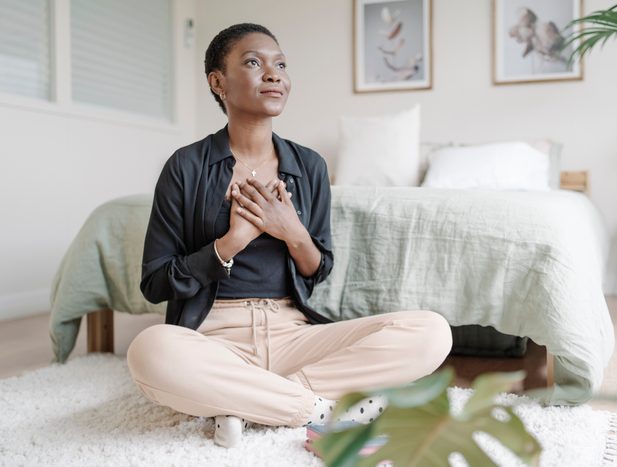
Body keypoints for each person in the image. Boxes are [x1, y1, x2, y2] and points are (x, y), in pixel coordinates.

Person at [125, 22, 453, 449]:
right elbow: (155, 282)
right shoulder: (185, 166)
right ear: (218, 82)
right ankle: (323, 412)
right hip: (214, 335)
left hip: (293, 333)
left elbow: (317, 270)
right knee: (150, 351)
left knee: (431, 332)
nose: (274, 74)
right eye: (254, 63)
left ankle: (246, 400)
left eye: (280, 64)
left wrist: (292, 230)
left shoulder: (310, 166)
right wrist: (231, 242)